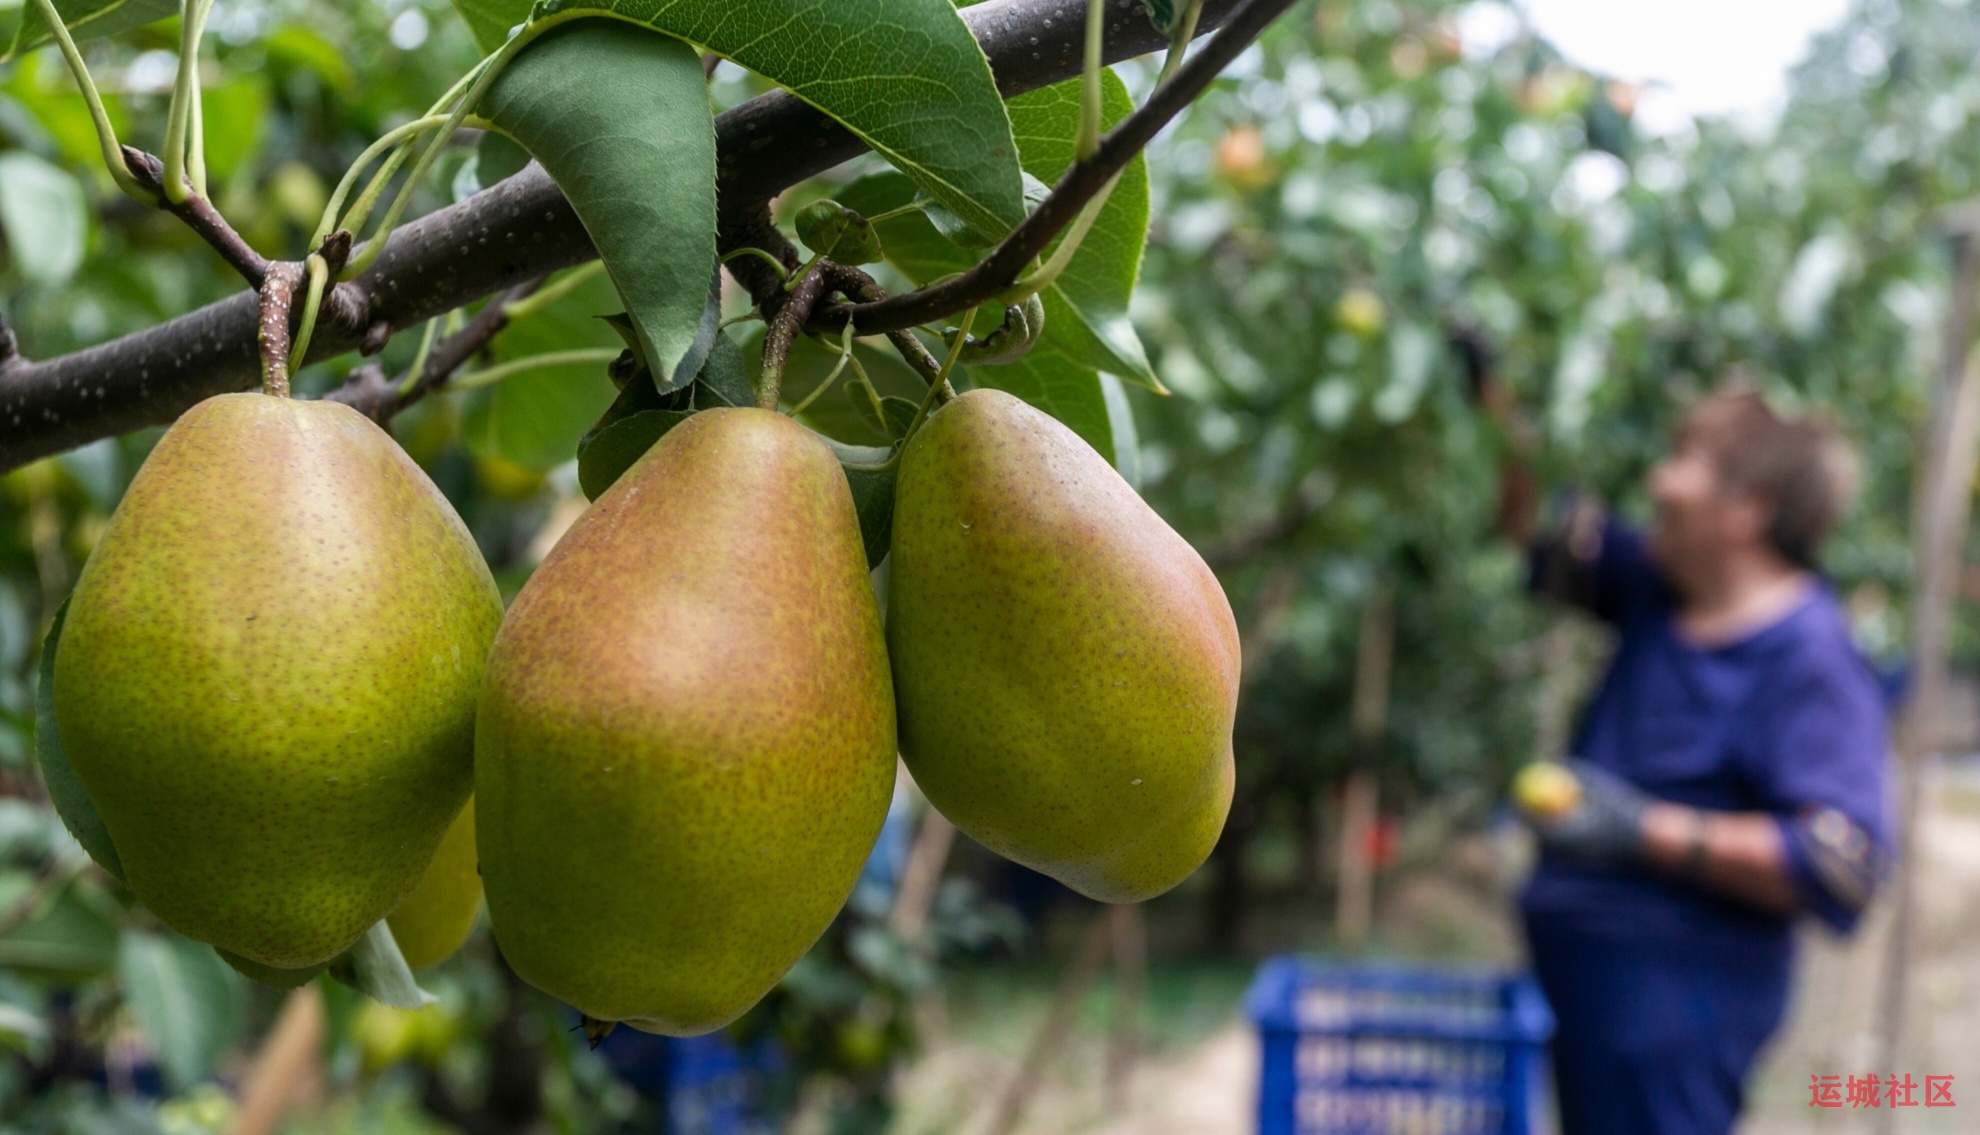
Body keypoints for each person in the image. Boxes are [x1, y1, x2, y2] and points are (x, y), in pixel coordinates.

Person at [1480, 372, 1891, 1135]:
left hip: (1675, 1019)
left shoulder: (1810, 659)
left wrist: (1640, 829)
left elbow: (1844, 854)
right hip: (1599, 1000)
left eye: (1686, 458)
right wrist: (1495, 406)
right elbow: (1538, 526)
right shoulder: (1662, 590)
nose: (1658, 481)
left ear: (1747, 508)